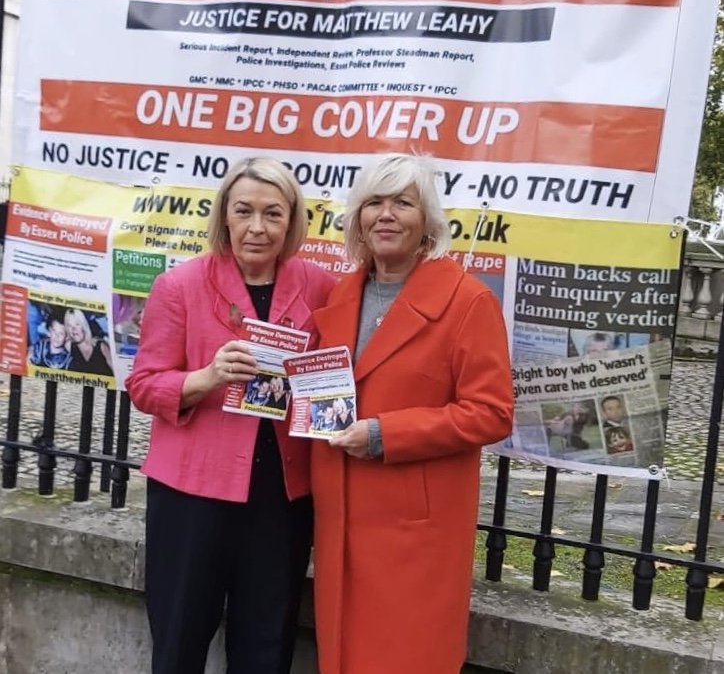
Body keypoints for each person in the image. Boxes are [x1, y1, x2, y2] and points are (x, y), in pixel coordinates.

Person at [125, 156, 335, 674]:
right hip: (191, 494)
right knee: (179, 638)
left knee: (266, 645)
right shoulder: (180, 285)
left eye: (273, 214)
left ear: (292, 221)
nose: (257, 228)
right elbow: (144, 385)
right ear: (224, 216)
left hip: (281, 497)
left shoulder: (320, 286)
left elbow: (336, 375)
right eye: (244, 211)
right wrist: (206, 377)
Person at [310, 153, 514, 674]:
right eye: (373, 202)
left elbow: (491, 414)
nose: (386, 215)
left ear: (427, 222)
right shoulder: (341, 292)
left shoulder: (468, 302)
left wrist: (384, 433)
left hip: (413, 535)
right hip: (341, 517)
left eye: (403, 203)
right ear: (357, 218)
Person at [64, 308, 114, 376]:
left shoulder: (100, 346)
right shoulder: (69, 346)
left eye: (77, 324)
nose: (74, 329)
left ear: (83, 325)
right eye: (70, 325)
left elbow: (115, 371)